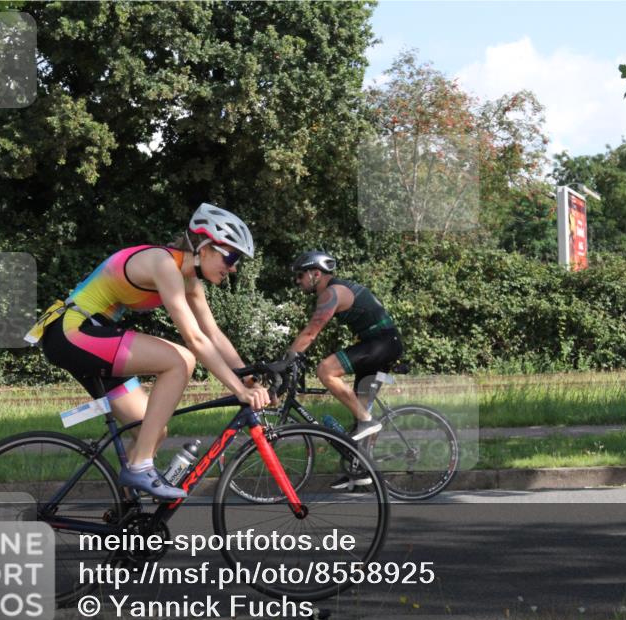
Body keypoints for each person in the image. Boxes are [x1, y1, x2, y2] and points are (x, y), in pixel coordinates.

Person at [29, 204, 269, 500]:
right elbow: (194, 338)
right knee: (180, 360)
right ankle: (140, 467)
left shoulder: (189, 281)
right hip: (74, 330)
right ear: (204, 247)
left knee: (153, 431)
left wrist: (248, 381)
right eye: (230, 256)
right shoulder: (163, 263)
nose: (232, 267)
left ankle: (128, 516)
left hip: (86, 335)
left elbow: (213, 334)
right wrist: (237, 390)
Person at [285, 251, 403, 486]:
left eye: (300, 275)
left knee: (326, 370)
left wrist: (286, 359)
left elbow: (311, 333)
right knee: (360, 413)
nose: (298, 281)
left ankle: (367, 421)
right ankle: (361, 471)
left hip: (381, 343)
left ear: (315, 273)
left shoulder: (332, 293)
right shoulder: (334, 290)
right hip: (382, 343)